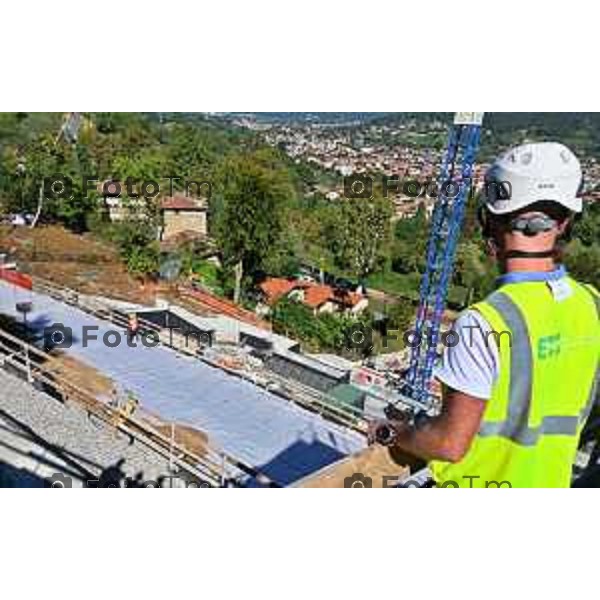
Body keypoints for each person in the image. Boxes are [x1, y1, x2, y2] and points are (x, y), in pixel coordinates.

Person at [373, 142, 600, 488]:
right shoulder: (591, 304)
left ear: (489, 222)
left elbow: (449, 444)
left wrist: (396, 433)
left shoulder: (483, 324)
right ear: (567, 221)